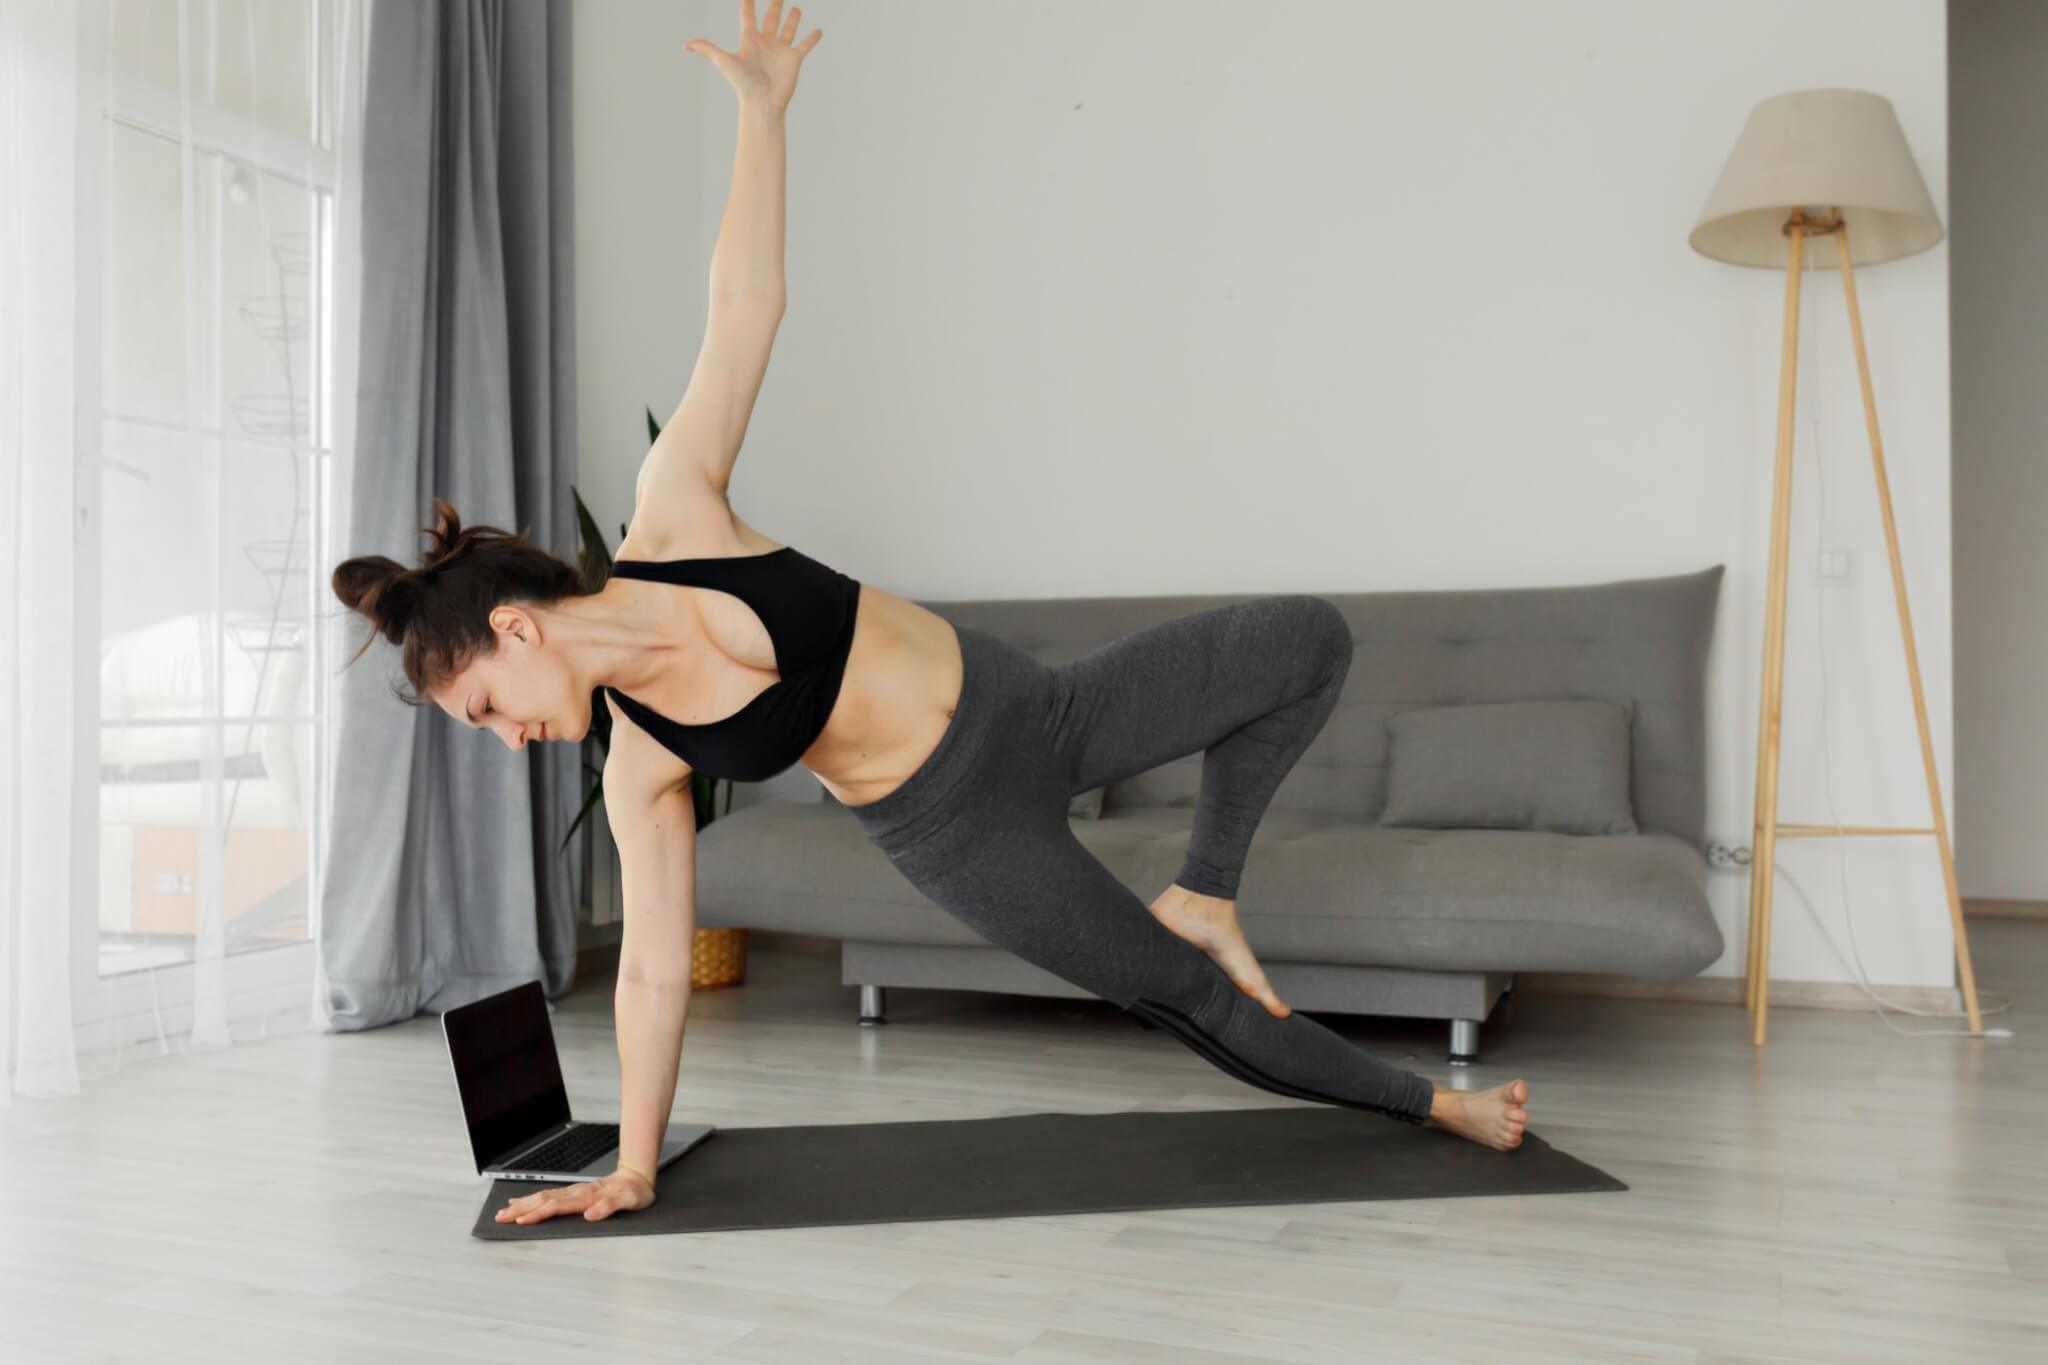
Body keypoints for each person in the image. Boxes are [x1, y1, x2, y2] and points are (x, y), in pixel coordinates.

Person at [332, 1, 1529, 1228]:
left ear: (516, 631)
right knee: (1187, 998)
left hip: (1042, 711)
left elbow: (743, 308)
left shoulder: (674, 513)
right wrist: (633, 1165)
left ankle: (1206, 889)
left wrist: (761, 114)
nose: (507, 738)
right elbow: (645, 973)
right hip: (962, 834)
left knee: (1308, 639)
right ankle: (1430, 1104)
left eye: (485, 709)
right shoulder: (641, 762)